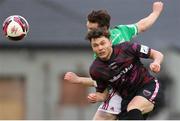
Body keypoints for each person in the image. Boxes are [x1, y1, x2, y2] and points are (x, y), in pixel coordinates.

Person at [64, 1, 164, 120]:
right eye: (88, 28)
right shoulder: (120, 31)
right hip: (122, 89)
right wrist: (155, 12)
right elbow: (142, 25)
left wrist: (79, 80)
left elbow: (105, 80)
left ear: (104, 30)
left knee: (132, 110)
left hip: (137, 85)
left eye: (91, 29)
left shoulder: (115, 49)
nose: (89, 32)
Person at [86, 28, 164, 120]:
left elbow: (157, 54)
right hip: (127, 98)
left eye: (103, 43)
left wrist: (156, 63)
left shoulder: (127, 48)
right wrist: (96, 97)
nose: (100, 48)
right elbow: (104, 94)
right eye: (95, 45)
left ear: (110, 42)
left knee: (133, 108)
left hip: (148, 87)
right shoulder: (96, 70)